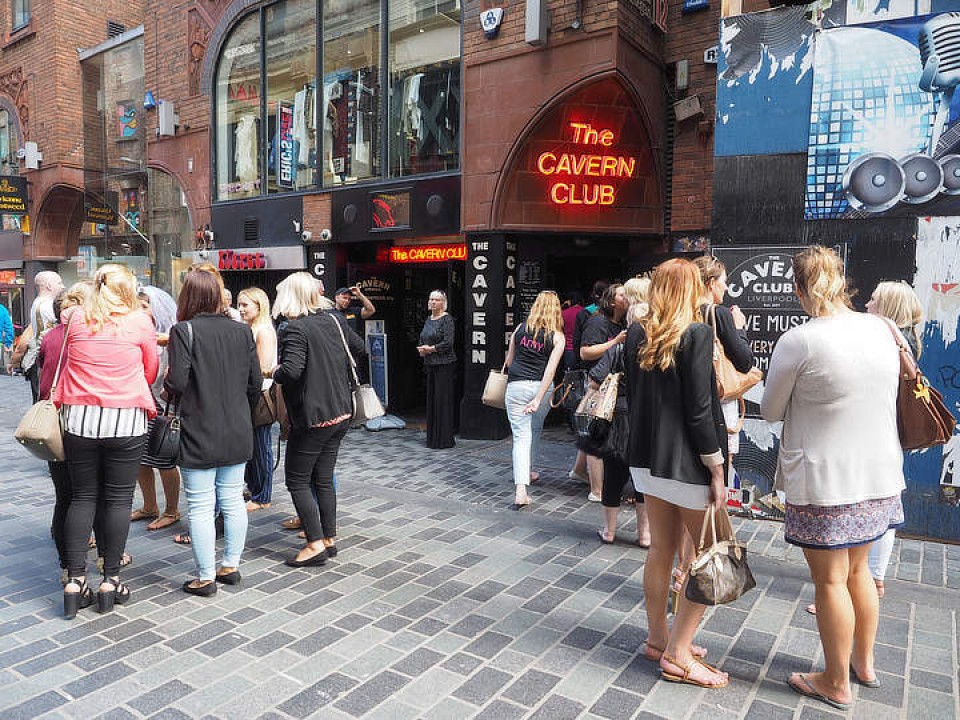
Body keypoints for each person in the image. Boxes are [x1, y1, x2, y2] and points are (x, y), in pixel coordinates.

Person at [762, 246, 904, 710]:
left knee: (830, 581)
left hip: (827, 479)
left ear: (801, 290)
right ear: (843, 283)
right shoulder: (883, 328)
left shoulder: (801, 340)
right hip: (880, 471)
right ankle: (864, 663)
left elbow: (769, 409)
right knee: (861, 571)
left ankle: (835, 680)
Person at [625, 258, 729, 689]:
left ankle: (658, 638)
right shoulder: (696, 333)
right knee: (717, 556)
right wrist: (716, 466)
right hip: (687, 462)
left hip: (646, 458)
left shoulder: (636, 331)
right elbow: (701, 411)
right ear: (691, 289)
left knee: (661, 550)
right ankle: (678, 652)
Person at [807, 279, 923, 616]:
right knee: (880, 506)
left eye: (873, 300)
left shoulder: (885, 339)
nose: (867, 304)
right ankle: (869, 581)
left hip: (873, 438)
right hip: (885, 439)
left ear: (887, 308)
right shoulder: (900, 341)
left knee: (869, 510)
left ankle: (857, 585)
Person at [54, 265, 158, 618]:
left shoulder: (74, 318)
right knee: (117, 499)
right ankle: (110, 580)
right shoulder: (139, 321)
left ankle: (74, 581)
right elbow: (151, 369)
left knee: (81, 497)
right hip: (126, 418)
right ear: (127, 288)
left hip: (79, 418)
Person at [165, 269, 261, 596]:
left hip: (198, 428)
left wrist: (168, 386)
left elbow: (176, 382)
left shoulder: (183, 331)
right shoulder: (241, 331)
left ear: (188, 296)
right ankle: (231, 565)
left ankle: (205, 576)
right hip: (237, 426)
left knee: (202, 505)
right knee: (232, 499)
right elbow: (255, 383)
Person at [272, 271, 363, 567]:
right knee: (322, 478)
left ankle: (314, 544)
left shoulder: (294, 329)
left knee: (297, 480)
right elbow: (359, 349)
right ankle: (328, 539)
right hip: (341, 411)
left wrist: (273, 371)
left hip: (314, 416)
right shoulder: (334, 319)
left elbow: (291, 372)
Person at [37, 284, 93, 580]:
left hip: (54, 425)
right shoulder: (91, 335)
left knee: (65, 497)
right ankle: (106, 557)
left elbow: (43, 380)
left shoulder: (50, 336)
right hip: (85, 422)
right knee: (90, 495)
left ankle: (67, 566)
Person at [596, 276, 651, 547]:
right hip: (646, 419)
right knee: (642, 477)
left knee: (614, 476)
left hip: (618, 416)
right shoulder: (655, 348)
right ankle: (645, 535)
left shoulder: (619, 347)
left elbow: (596, 378)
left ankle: (609, 531)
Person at [503, 290, 565, 509]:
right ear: (556, 310)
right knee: (535, 429)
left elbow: (509, 362)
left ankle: (522, 487)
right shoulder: (557, 337)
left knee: (521, 437)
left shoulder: (520, 330)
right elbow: (550, 372)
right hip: (541, 388)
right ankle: (527, 472)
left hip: (516, 387)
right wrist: (538, 398)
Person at [131, 288, 182, 532]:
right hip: (141, 400)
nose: (139, 311)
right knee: (141, 456)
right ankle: (149, 505)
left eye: (144, 306)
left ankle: (171, 509)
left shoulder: (172, 335)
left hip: (163, 402)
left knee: (164, 457)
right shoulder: (137, 332)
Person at [578, 283, 628, 501]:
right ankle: (596, 490)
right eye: (621, 294)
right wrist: (615, 343)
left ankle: (578, 471)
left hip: (613, 387)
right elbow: (585, 352)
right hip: (597, 384)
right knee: (596, 435)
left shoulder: (623, 323)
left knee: (593, 432)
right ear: (611, 300)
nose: (625, 297)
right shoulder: (598, 321)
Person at [238, 287, 278, 511]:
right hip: (249, 394)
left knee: (261, 446)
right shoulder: (250, 328)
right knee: (252, 446)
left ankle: (263, 495)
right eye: (239, 304)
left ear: (259, 306)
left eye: (245, 305)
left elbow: (263, 367)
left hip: (260, 395)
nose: (241, 309)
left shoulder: (263, 330)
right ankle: (255, 488)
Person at [9, 270, 64, 401]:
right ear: (49, 286)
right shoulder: (46, 305)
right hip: (45, 360)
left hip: (41, 359)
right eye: (59, 283)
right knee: (45, 401)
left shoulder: (39, 303)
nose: (62, 286)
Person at [418, 290, 457, 449]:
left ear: (443, 302)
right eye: (431, 299)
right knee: (433, 400)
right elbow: (423, 337)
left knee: (442, 400)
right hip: (430, 364)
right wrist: (422, 348)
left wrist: (431, 349)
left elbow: (448, 343)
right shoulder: (429, 319)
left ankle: (444, 439)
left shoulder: (447, 320)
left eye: (437, 300)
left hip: (444, 364)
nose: (433, 302)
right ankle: (433, 438)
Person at [560, 290, 584, 371]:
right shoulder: (585, 312)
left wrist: (563, 306)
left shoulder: (563, 313)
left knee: (568, 375)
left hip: (568, 349)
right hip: (581, 348)